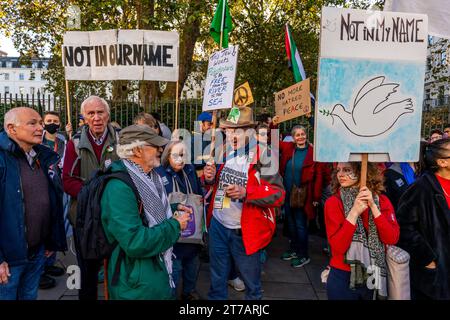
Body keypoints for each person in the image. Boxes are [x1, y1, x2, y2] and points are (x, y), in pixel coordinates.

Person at [101, 125, 191, 300]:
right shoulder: (119, 187)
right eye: (154, 145)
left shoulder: (147, 176)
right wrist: (175, 224)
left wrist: (171, 210)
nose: (160, 150)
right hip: (136, 284)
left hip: (149, 277)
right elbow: (135, 242)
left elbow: (144, 213)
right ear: (136, 150)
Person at [204, 106, 285, 300]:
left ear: (250, 130)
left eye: (238, 130)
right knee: (216, 283)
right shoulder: (222, 151)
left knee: (252, 287)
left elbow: (279, 194)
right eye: (229, 130)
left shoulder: (263, 155)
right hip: (218, 225)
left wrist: (247, 192)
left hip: (244, 232)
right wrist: (209, 178)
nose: (232, 135)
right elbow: (214, 185)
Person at [0, 107, 67, 300]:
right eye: (32, 123)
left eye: (40, 122)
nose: (41, 127)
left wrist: (49, 238)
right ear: (12, 129)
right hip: (9, 259)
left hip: (37, 252)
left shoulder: (42, 157)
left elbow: (51, 201)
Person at [62, 95, 120, 300]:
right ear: (84, 117)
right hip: (85, 218)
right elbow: (68, 181)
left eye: (100, 112)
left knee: (117, 270)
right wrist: (95, 197)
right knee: (87, 272)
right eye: (91, 113)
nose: (96, 117)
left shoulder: (122, 140)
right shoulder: (74, 144)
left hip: (116, 217)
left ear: (108, 114)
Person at [324, 162, 399, 300]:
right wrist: (354, 213)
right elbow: (338, 247)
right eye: (338, 170)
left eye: (347, 170)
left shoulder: (382, 201)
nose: (340, 174)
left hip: (374, 275)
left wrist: (374, 207)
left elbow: (391, 238)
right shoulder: (334, 202)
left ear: (363, 172)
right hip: (343, 275)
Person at [396, 138, 450, 299]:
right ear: (442, 162)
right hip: (436, 274)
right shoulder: (421, 187)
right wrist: (427, 258)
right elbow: (404, 226)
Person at [155, 141, 203, 300]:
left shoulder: (190, 170)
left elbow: (198, 192)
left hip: (193, 234)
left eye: (183, 155)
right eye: (176, 155)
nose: (180, 159)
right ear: (167, 156)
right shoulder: (159, 173)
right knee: (174, 271)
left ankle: (189, 292)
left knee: (192, 266)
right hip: (173, 237)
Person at [279, 125, 323, 267]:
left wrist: (316, 197)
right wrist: (273, 124)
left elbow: (318, 177)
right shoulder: (289, 148)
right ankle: (293, 249)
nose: (301, 137)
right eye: (297, 135)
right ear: (293, 137)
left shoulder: (313, 152)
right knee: (290, 223)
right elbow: (273, 141)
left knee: (300, 224)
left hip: (304, 196)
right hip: (288, 193)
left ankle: (303, 254)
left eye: (303, 134)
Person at [39, 111, 69, 289]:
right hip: (42, 186)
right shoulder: (38, 140)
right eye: (48, 121)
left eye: (55, 121)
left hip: (59, 186)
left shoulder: (63, 141)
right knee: (42, 226)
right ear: (43, 123)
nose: (52, 123)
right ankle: (39, 270)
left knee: (56, 225)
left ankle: (49, 263)